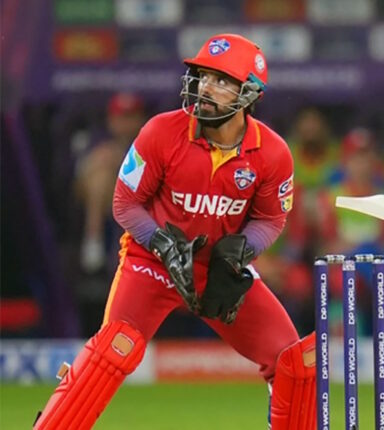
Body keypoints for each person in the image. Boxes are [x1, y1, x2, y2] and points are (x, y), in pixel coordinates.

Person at [34, 34, 315, 430]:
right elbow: (125, 203)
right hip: (153, 262)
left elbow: (271, 220)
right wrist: (160, 243)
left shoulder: (272, 153)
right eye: (203, 76)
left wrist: (242, 251)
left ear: (249, 93)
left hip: (216, 269)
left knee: (294, 361)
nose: (206, 87)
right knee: (114, 348)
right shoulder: (162, 131)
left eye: (221, 81)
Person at [76, 92, 146, 273]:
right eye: (121, 117)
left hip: (135, 195)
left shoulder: (147, 139)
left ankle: (93, 238)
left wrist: (120, 157)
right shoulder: (97, 138)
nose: (125, 123)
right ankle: (93, 237)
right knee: (100, 178)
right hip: (98, 194)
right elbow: (79, 171)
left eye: (130, 117)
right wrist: (101, 159)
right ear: (111, 119)